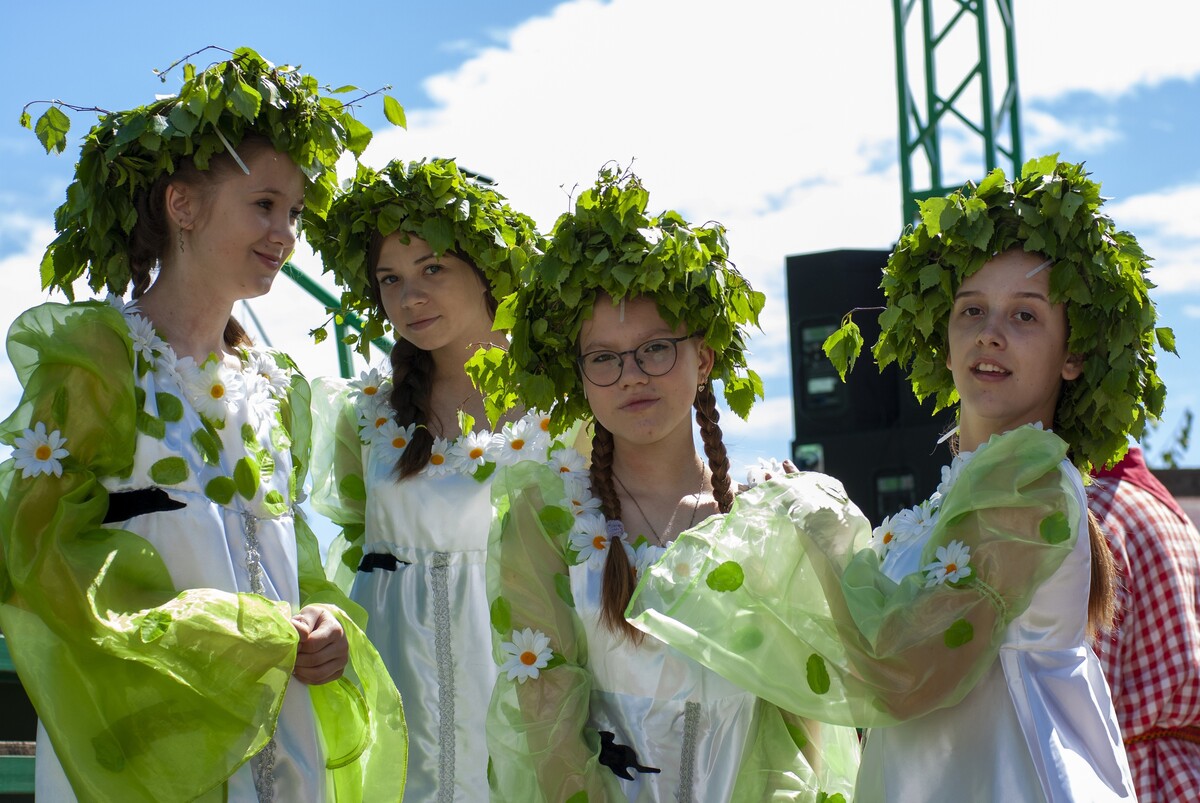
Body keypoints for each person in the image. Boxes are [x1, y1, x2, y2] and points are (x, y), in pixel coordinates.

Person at [628, 156, 1166, 801]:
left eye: (1025, 316)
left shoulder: (1028, 478)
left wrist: (812, 514)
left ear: (1073, 354)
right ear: (942, 339)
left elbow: (906, 667)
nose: (991, 334)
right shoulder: (970, 486)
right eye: (971, 311)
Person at [0, 48, 406, 802]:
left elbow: (298, 559)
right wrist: (225, 635)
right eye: (263, 204)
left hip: (285, 748)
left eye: (293, 211)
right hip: (148, 748)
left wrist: (323, 618)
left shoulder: (273, 387)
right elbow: (39, 556)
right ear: (181, 205)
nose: (285, 232)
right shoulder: (98, 360)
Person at [474, 166, 860, 802]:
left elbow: (802, 719)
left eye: (655, 348)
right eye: (604, 357)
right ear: (580, 376)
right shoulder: (546, 515)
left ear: (701, 359)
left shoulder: (765, 516)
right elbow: (545, 709)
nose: (631, 375)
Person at [304, 158, 561, 801]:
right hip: (397, 687)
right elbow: (355, 548)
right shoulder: (364, 414)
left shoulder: (565, 404)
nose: (409, 297)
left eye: (432, 269)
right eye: (390, 279)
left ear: (488, 272)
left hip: (520, 687)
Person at [1089, 444, 1200, 801]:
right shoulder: (1177, 518)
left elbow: (1085, 707)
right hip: (1187, 772)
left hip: (1137, 781)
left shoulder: (1093, 519)